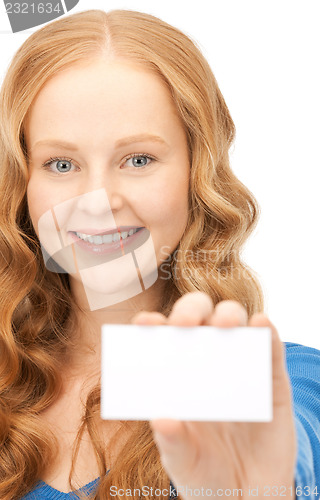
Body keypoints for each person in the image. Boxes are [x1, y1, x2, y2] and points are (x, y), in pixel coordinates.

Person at [0, 8, 319, 500]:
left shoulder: (286, 383)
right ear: (24, 184)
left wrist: (258, 491)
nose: (99, 200)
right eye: (61, 163)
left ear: (198, 170)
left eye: (139, 159)